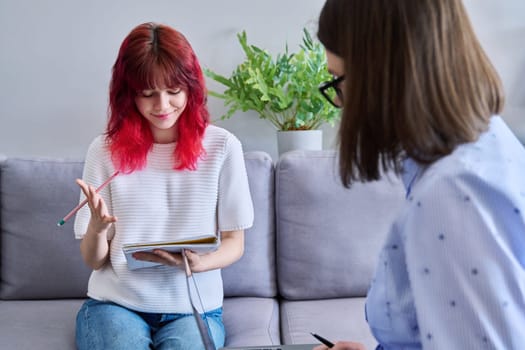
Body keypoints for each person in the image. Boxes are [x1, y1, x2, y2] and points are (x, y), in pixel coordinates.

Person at [315, 0, 525, 349]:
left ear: (382, 72)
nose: (341, 102)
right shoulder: (487, 141)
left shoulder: (454, 191)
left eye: (339, 80)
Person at [73, 22, 254, 350]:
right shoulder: (103, 150)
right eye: (148, 94)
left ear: (191, 87)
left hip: (193, 307)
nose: (162, 106)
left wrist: (200, 263)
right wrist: (97, 230)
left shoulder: (223, 147)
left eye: (174, 91)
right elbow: (94, 261)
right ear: (128, 95)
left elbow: (234, 243)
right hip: (116, 304)